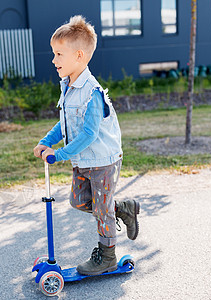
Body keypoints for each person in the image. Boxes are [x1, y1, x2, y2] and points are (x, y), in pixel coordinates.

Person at [33, 15, 140, 276]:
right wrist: (46, 141)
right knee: (79, 202)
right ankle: (123, 208)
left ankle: (107, 257)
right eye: (54, 54)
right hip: (83, 160)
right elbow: (66, 123)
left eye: (59, 54)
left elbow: (90, 134)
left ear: (79, 56)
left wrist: (58, 154)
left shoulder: (92, 92)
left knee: (102, 212)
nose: (54, 60)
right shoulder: (68, 86)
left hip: (103, 159)